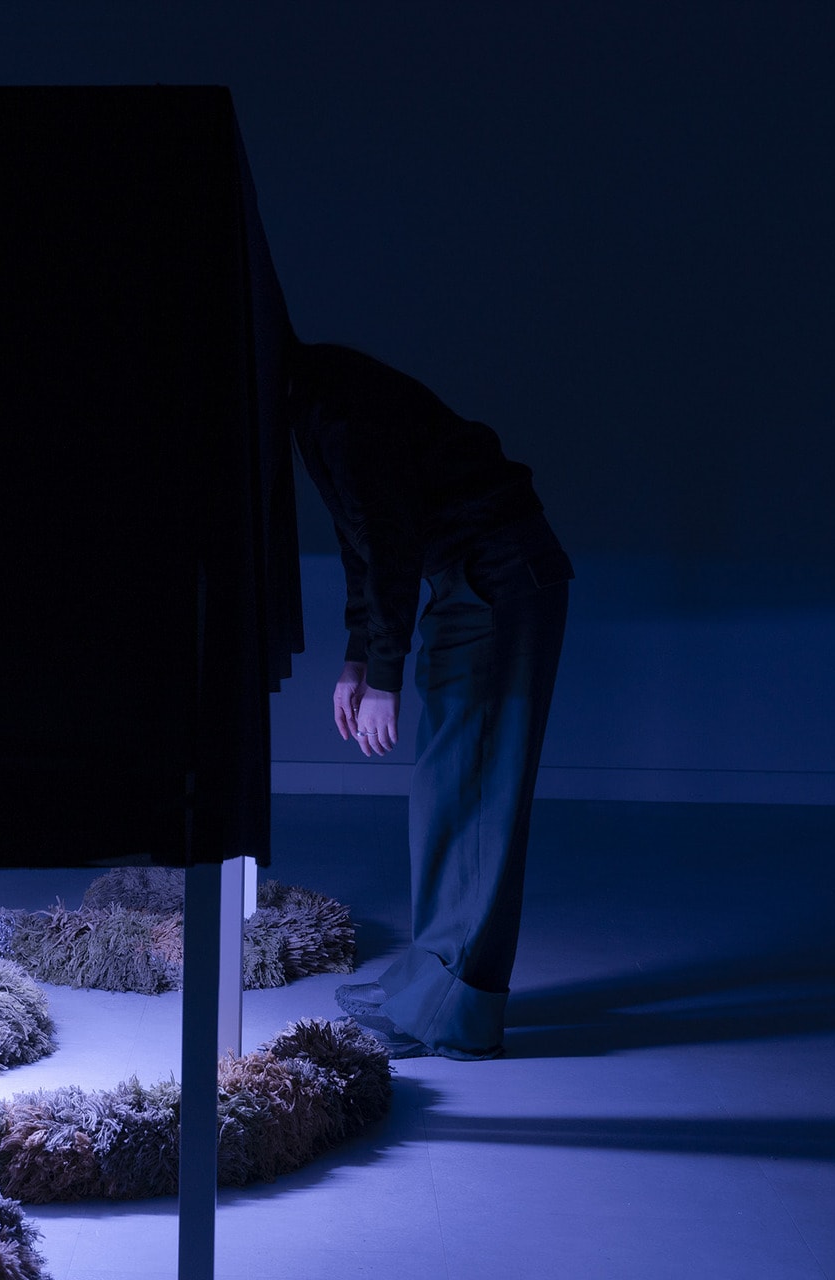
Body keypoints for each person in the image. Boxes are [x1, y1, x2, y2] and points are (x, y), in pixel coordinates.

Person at [285, 339, 572, 1060]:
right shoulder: (317, 401)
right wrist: (359, 656)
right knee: (448, 792)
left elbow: (388, 539)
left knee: (472, 800)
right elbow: (365, 535)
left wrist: (383, 674)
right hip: (475, 577)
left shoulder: (337, 412)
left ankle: (457, 1015)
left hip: (496, 578)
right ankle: (430, 985)